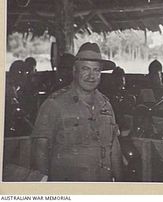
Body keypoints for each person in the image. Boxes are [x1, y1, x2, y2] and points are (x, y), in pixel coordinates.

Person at [31, 42, 123, 182]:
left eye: (96, 70)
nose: (91, 76)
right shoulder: (54, 104)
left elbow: (114, 148)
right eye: (85, 69)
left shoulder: (106, 105)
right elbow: (40, 149)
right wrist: (46, 188)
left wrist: (121, 185)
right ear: (75, 70)